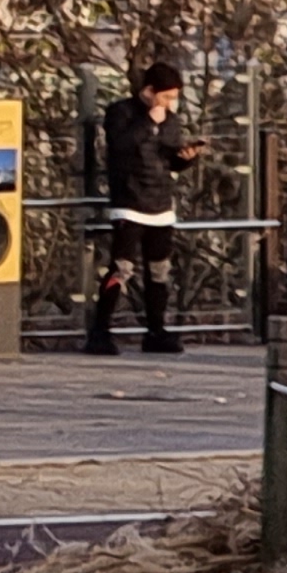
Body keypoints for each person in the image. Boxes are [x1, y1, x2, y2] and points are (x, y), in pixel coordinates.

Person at [87, 59, 199, 357]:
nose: (170, 103)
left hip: (161, 202)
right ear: (149, 92)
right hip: (129, 201)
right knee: (122, 267)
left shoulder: (171, 120)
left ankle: (156, 330)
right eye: (165, 96)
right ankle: (100, 329)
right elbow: (121, 145)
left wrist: (186, 158)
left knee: (159, 270)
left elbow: (170, 158)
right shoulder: (121, 112)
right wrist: (150, 121)